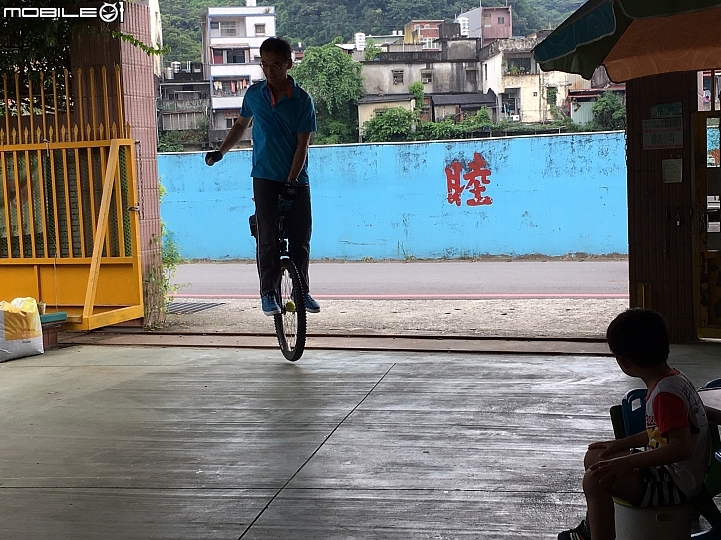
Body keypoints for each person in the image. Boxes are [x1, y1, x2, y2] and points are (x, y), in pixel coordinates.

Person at [559, 308, 709, 540]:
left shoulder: (664, 394)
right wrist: (620, 444)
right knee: (596, 456)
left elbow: (681, 447)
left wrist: (626, 462)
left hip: (676, 484)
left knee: (595, 479)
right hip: (672, 473)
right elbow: (659, 432)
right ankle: (591, 526)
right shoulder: (672, 379)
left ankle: (594, 534)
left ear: (624, 363)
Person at [205, 37, 319, 316]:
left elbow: (302, 145)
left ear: (289, 65)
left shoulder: (303, 101)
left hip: (296, 179)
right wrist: (220, 152)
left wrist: (292, 181)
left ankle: (301, 291)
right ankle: (268, 293)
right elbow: (240, 127)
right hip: (265, 177)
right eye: (264, 65)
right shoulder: (254, 95)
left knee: (300, 238)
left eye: (276, 65)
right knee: (267, 238)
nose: (269, 71)